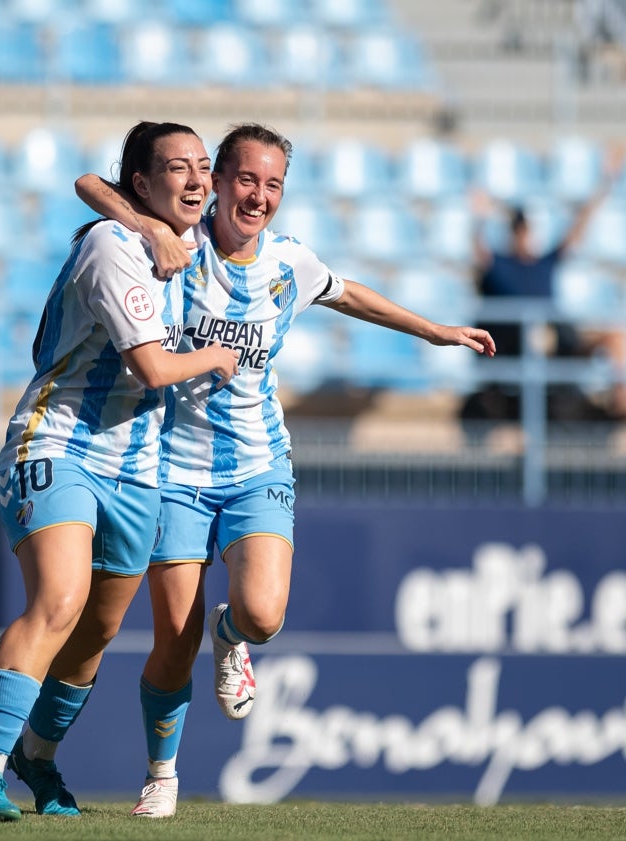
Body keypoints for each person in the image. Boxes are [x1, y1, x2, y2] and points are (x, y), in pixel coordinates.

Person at [72, 122, 497, 817]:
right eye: (245, 178)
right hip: (172, 469)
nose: (258, 196)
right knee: (171, 643)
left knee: (264, 614)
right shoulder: (177, 238)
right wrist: (145, 229)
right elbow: (90, 185)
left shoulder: (287, 264)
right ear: (215, 181)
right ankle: (163, 772)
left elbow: (349, 292)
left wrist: (435, 330)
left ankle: (233, 636)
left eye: (273, 184)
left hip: (257, 464)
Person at [0, 121, 241, 823]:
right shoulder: (113, 245)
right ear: (141, 184)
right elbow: (152, 367)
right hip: (57, 443)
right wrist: (216, 356)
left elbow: (91, 183)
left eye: (204, 166)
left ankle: (38, 758)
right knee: (59, 598)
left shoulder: (196, 242)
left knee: (95, 632)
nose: (199, 180)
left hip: (138, 467)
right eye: (179, 168)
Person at [463, 149, 626, 423]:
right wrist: (478, 218)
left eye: (527, 229)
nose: (525, 236)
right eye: (520, 230)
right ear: (513, 232)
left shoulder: (545, 262)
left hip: (558, 345)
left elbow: (578, 229)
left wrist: (605, 182)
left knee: (614, 338)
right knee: (536, 335)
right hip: (516, 347)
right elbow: (479, 253)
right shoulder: (500, 266)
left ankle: (619, 406)